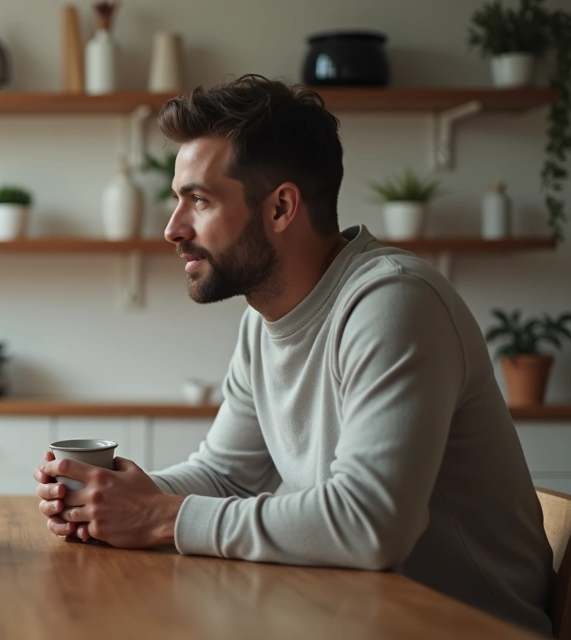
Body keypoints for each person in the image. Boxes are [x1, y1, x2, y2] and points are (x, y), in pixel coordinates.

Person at [33, 75, 553, 634]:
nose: (172, 229)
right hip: (346, 614)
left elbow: (369, 524)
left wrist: (160, 516)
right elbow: (228, 474)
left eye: (199, 200)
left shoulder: (395, 302)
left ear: (281, 207)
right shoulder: (262, 322)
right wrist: (115, 498)